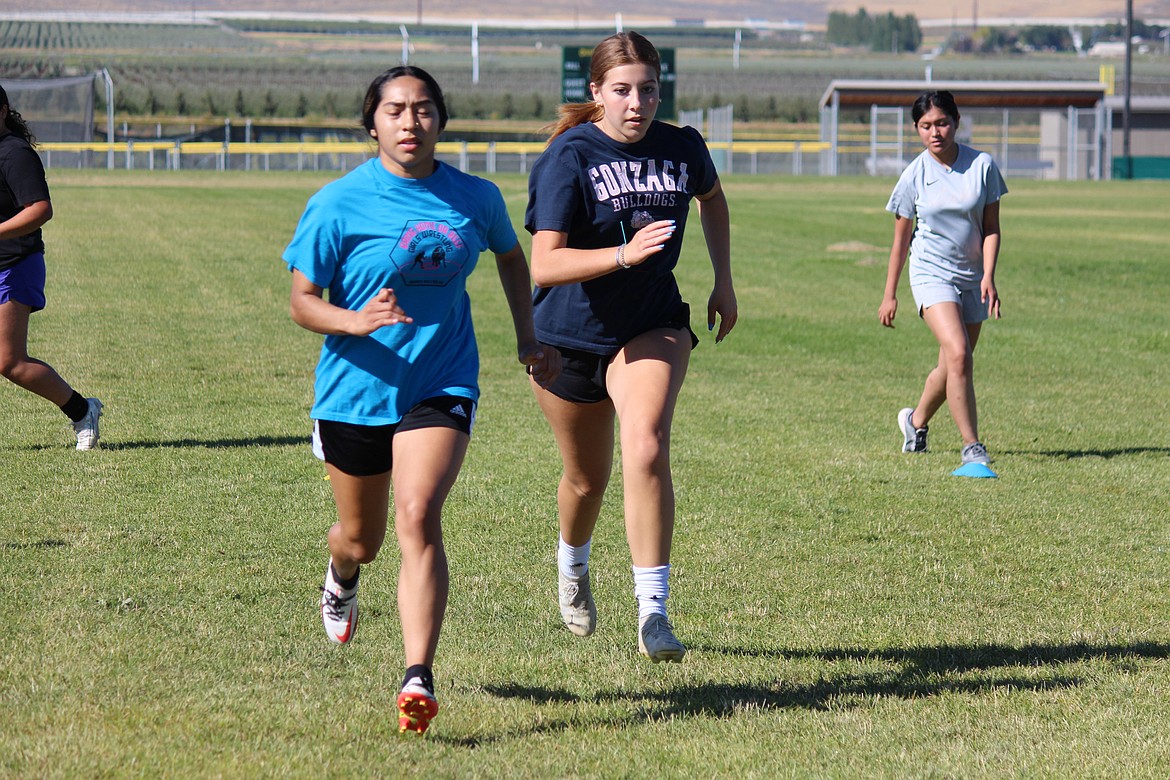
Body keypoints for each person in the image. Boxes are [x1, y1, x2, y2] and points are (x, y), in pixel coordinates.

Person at [283, 66, 559, 735]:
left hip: (441, 381)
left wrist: (528, 334)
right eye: (395, 111)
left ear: (441, 119)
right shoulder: (337, 204)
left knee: (419, 514)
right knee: (364, 538)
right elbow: (302, 302)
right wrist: (356, 320)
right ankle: (341, 571)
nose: (410, 123)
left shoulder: (474, 197)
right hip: (354, 391)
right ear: (372, 122)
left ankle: (417, 675)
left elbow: (512, 258)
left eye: (424, 109)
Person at [524, 31, 737, 663]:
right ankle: (572, 563)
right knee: (586, 481)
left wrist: (723, 280)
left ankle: (654, 613)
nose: (636, 103)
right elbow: (544, 265)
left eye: (647, 89)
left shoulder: (681, 145)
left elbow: (713, 199)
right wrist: (621, 254)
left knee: (646, 443)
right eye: (622, 91)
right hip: (567, 337)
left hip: (652, 323)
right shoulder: (569, 155)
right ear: (596, 93)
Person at [879, 90, 1007, 474]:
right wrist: (890, 294)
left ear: (956, 121)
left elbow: (991, 228)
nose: (935, 132)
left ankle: (915, 423)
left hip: (972, 277)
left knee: (952, 364)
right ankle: (972, 447)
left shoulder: (982, 166)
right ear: (916, 129)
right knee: (959, 353)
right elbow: (901, 241)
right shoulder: (914, 175)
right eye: (925, 126)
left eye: (942, 123)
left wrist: (988, 275)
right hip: (930, 273)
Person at [0, 84, 102, 450]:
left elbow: (41, 208)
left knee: (10, 362)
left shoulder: (13, 154)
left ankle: (81, 410)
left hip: (13, 264)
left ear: (3, 111)